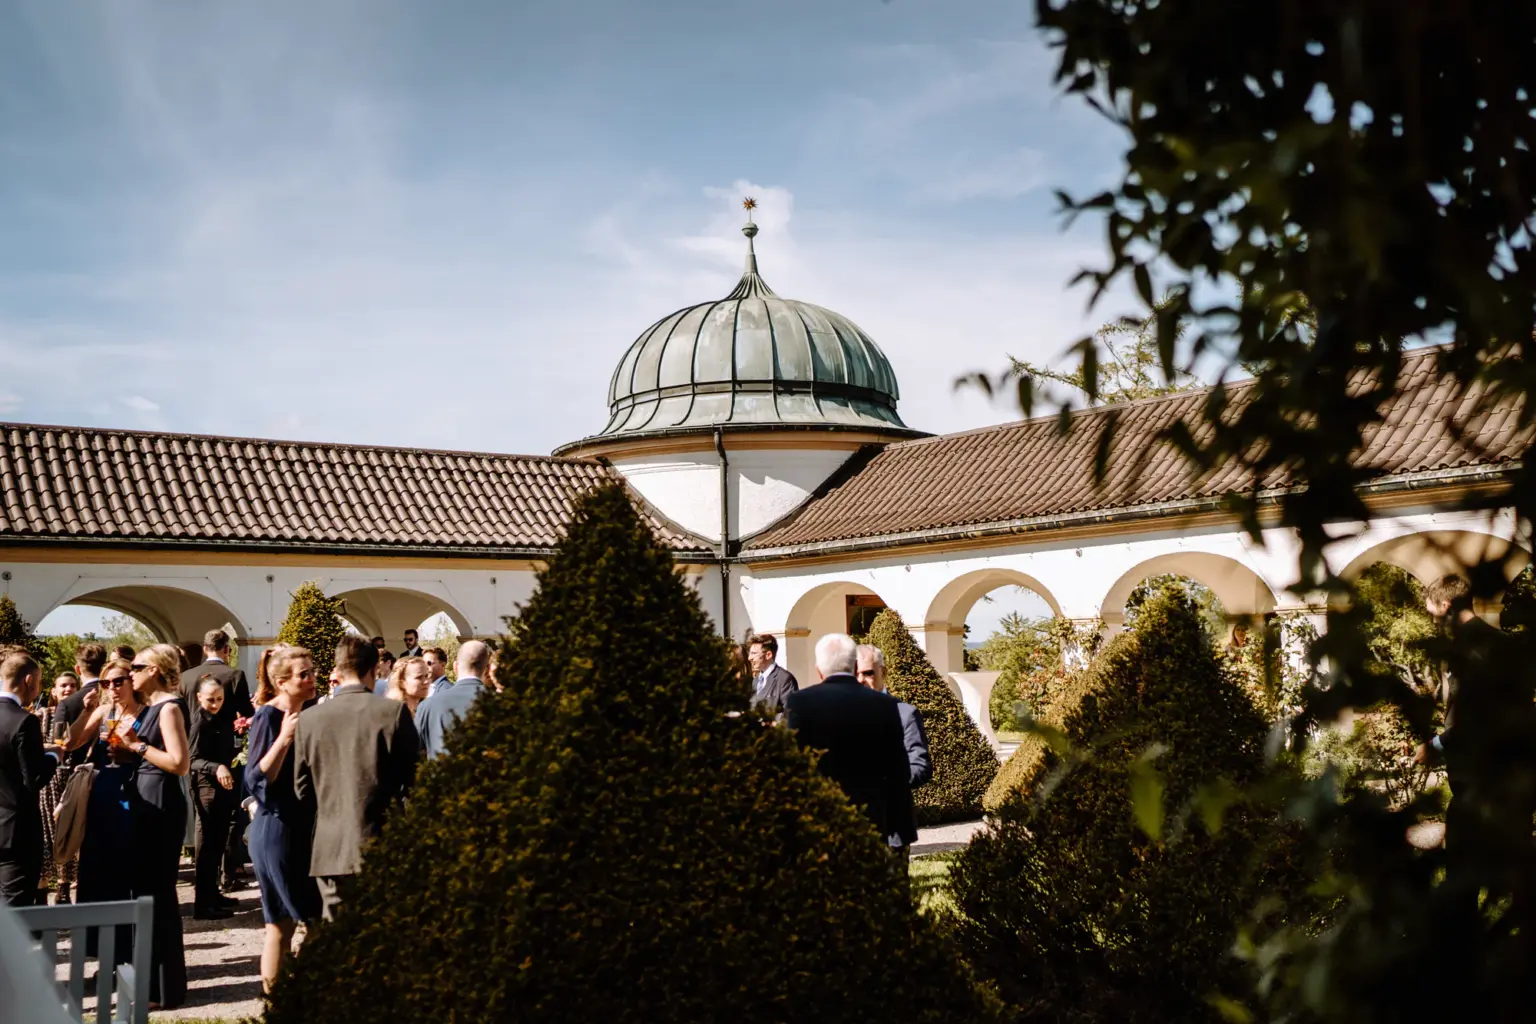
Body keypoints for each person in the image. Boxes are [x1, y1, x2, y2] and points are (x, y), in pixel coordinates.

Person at [293, 637, 419, 920]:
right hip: (382, 841)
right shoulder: (391, 713)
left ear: (337, 669)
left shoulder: (309, 719)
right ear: (374, 669)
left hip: (330, 847)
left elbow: (301, 790)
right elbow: (414, 781)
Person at [783, 634, 910, 842]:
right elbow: (898, 769)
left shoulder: (800, 702)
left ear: (819, 671)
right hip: (870, 818)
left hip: (819, 816)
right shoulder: (883, 704)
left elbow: (792, 763)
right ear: (854, 667)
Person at [246, 645, 320, 992]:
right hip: (277, 829)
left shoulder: (313, 712)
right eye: (303, 674)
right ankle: (284, 1001)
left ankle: (290, 999)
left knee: (286, 923)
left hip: (303, 826)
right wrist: (285, 739)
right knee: (288, 922)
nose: (311, 679)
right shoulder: (269, 717)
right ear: (281, 682)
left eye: (312, 671)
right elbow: (256, 778)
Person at [124, 644, 191, 1009]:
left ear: (154, 670)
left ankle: (162, 989)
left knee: (157, 894)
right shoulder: (148, 707)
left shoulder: (168, 707)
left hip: (161, 804)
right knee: (144, 893)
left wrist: (137, 748)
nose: (130, 672)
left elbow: (180, 763)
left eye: (136, 666)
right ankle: (152, 984)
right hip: (144, 800)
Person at [856, 644, 932, 857]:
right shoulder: (837, 715)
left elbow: (920, 767)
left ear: (884, 672)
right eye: (856, 673)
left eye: (868, 673)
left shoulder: (905, 714)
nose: (861, 679)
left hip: (891, 829)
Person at [0, 650, 60, 905]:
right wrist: (54, 756)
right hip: (16, 830)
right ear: (28, 680)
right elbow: (33, 779)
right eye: (39, 682)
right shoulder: (25, 722)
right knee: (15, 906)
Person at [187, 676, 238, 919]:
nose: (216, 704)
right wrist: (215, 767)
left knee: (218, 841)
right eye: (210, 700)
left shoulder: (221, 717)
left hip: (222, 786)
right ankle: (203, 903)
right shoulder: (199, 722)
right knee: (207, 845)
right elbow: (191, 759)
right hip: (206, 787)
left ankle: (213, 894)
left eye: (219, 699)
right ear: (199, 698)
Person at [416, 641, 490, 760]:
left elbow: (414, 753)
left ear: (455, 666)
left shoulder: (427, 705)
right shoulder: (501, 702)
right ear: (488, 669)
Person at [55, 643, 108, 770]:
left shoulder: (67, 703)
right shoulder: (116, 693)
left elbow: (59, 744)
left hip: (79, 771)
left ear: (77, 669)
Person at [745, 633, 798, 713]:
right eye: (750, 653)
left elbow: (791, 712)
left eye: (754, 653)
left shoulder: (784, 679)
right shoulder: (756, 681)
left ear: (768, 655)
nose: (749, 658)